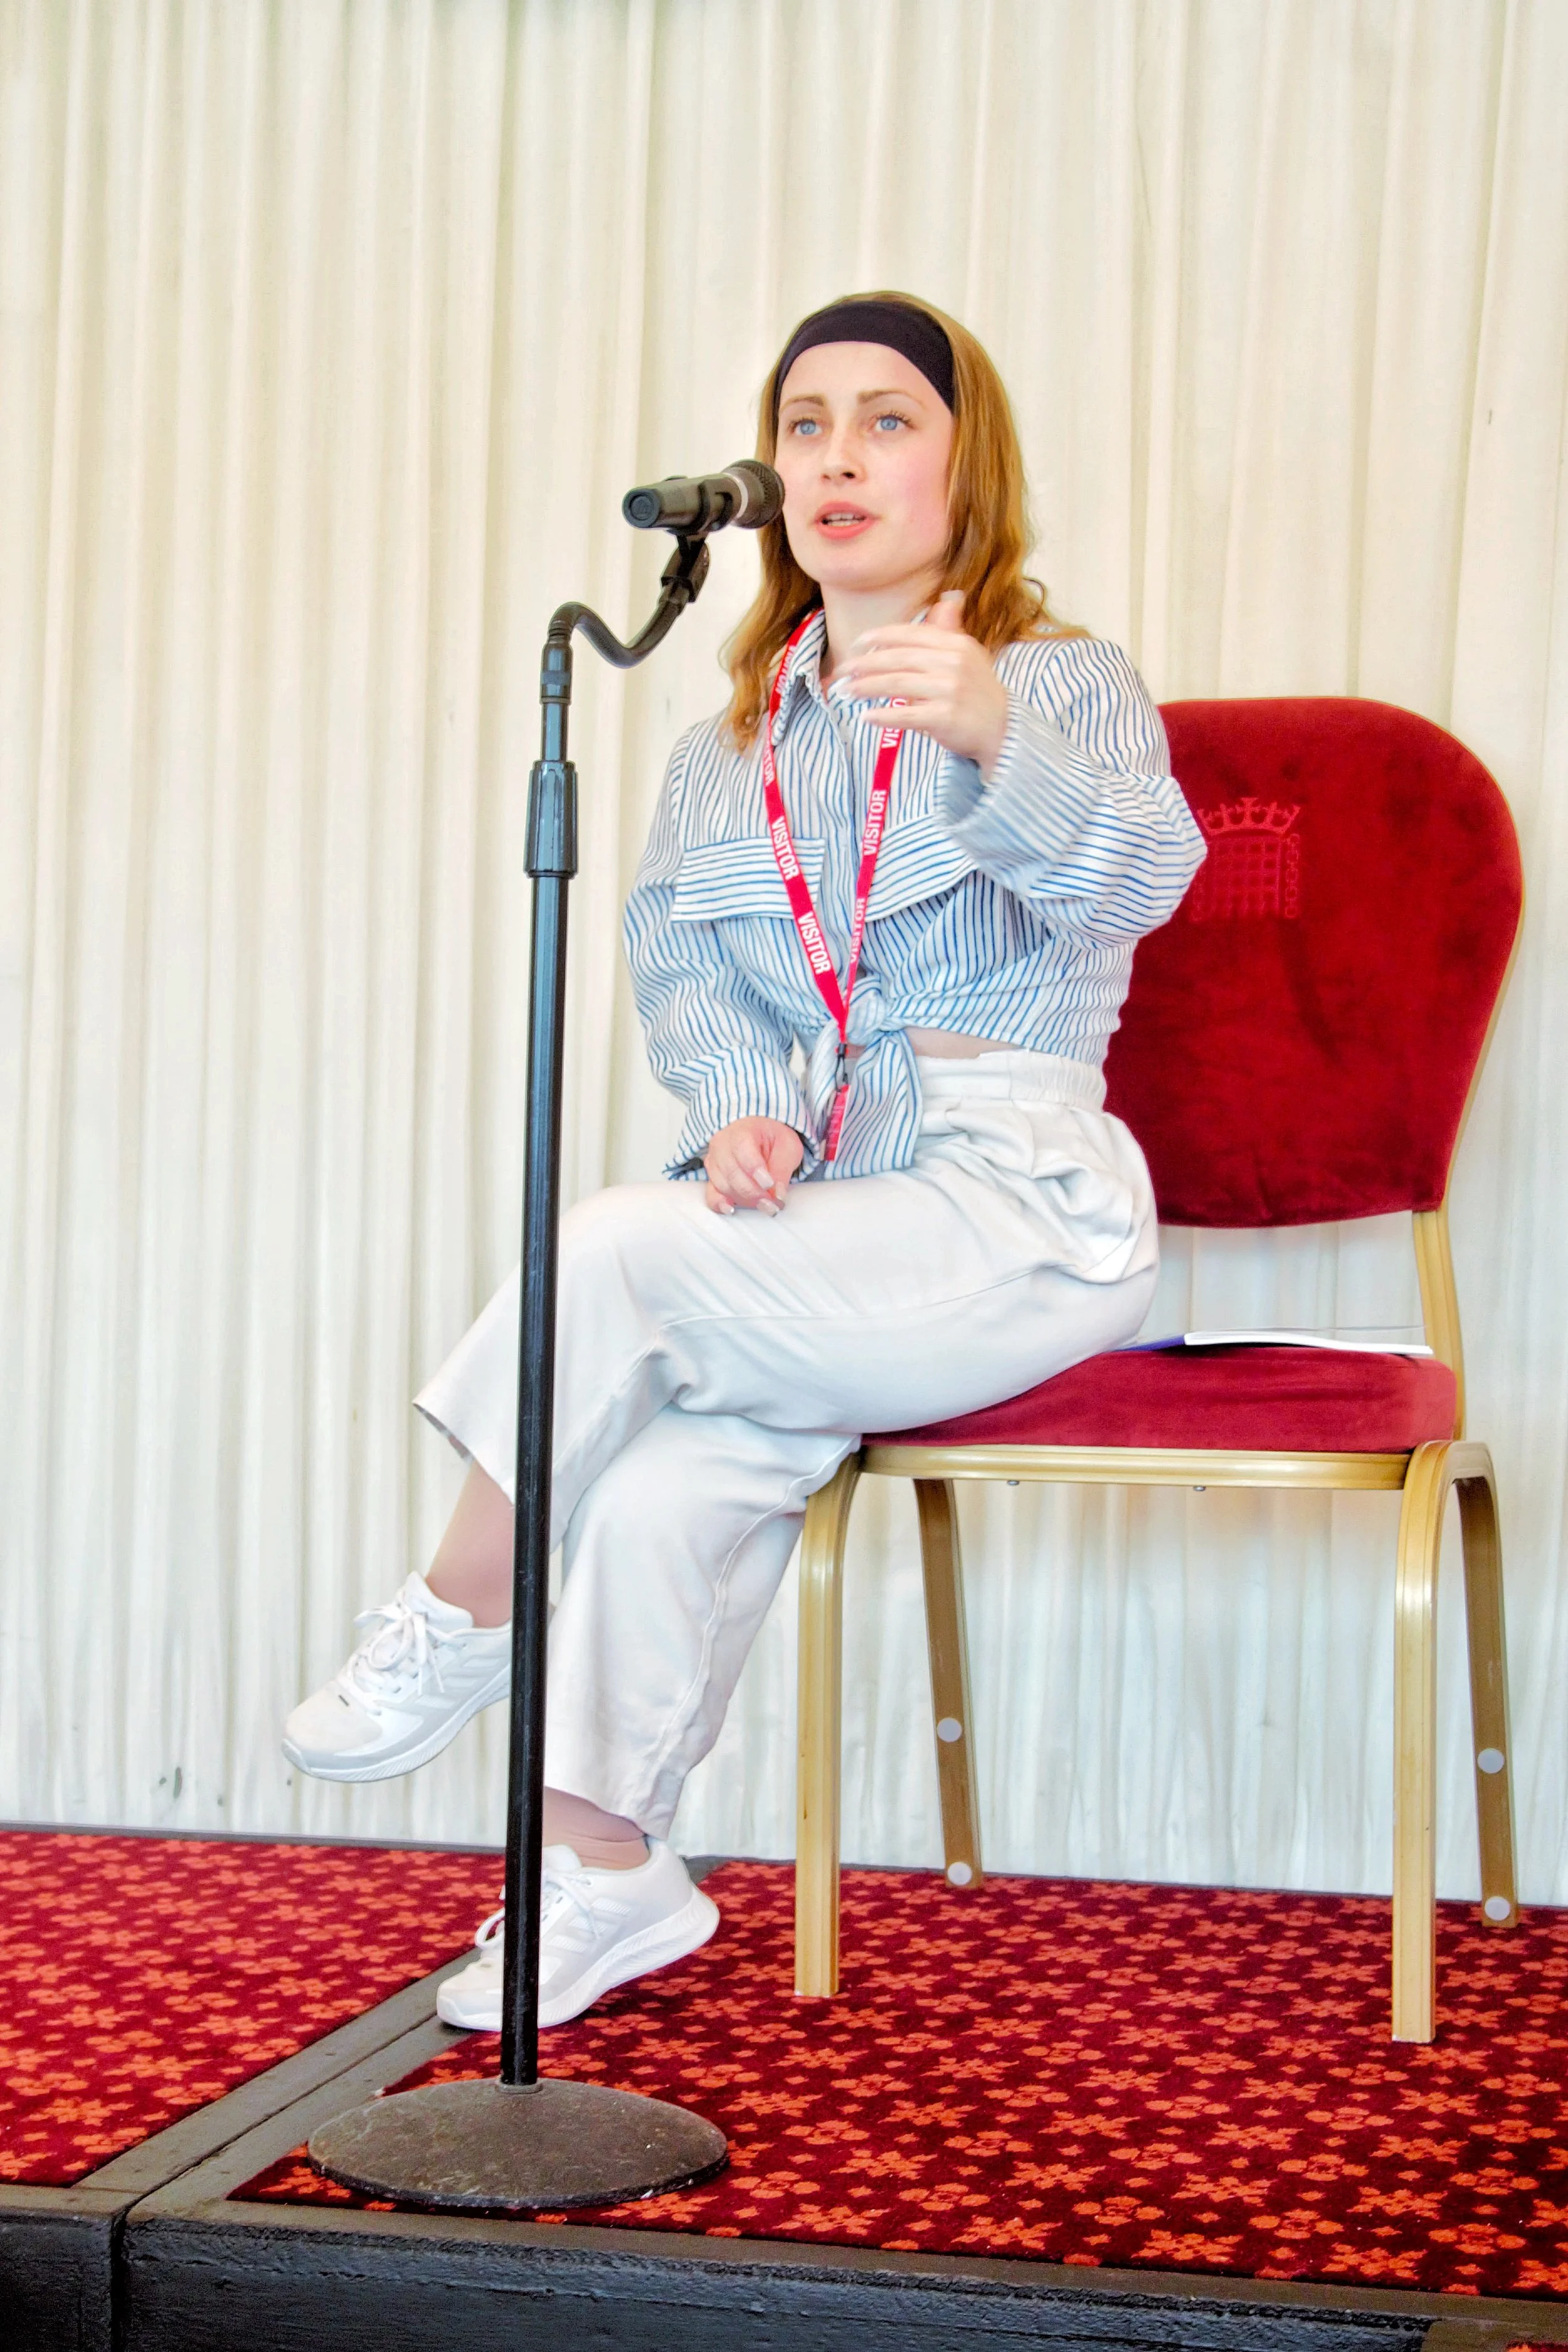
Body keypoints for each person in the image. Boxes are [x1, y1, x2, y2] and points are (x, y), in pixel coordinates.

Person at [283, 292, 1205, 2032]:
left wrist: (997, 732)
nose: (836, 455)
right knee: (657, 1486)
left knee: (613, 1252)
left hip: (1010, 1214)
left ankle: (456, 1609)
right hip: (820, 1226)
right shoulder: (735, 739)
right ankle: (604, 1870)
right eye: (803, 424)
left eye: (884, 419)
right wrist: (732, 1103)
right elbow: (681, 960)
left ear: (962, 461)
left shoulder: (1062, 678)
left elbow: (1143, 880)